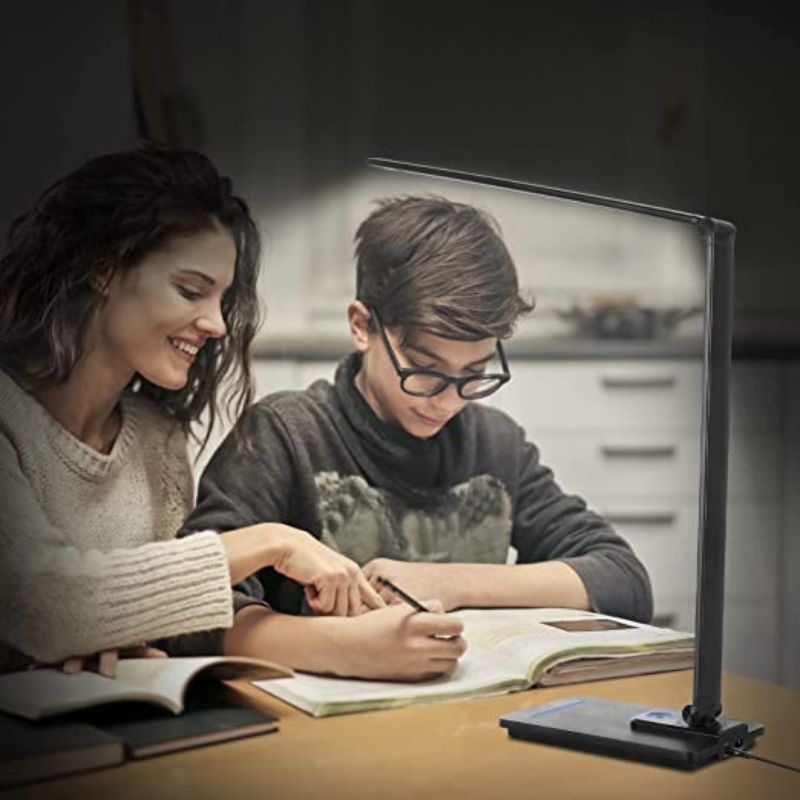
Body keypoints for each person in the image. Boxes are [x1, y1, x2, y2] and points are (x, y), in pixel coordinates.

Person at [0, 146, 464, 680]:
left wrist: (117, 641)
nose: (217, 325)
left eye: (221, 299)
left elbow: (145, 618)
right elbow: (43, 606)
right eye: (190, 291)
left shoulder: (156, 438)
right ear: (103, 269)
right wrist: (275, 540)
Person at [181, 195, 654, 671]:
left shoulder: (497, 444)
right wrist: (343, 646)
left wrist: (445, 582)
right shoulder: (284, 436)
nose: (447, 401)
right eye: (425, 370)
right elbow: (188, 613)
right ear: (362, 326)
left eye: (474, 373)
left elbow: (623, 579)